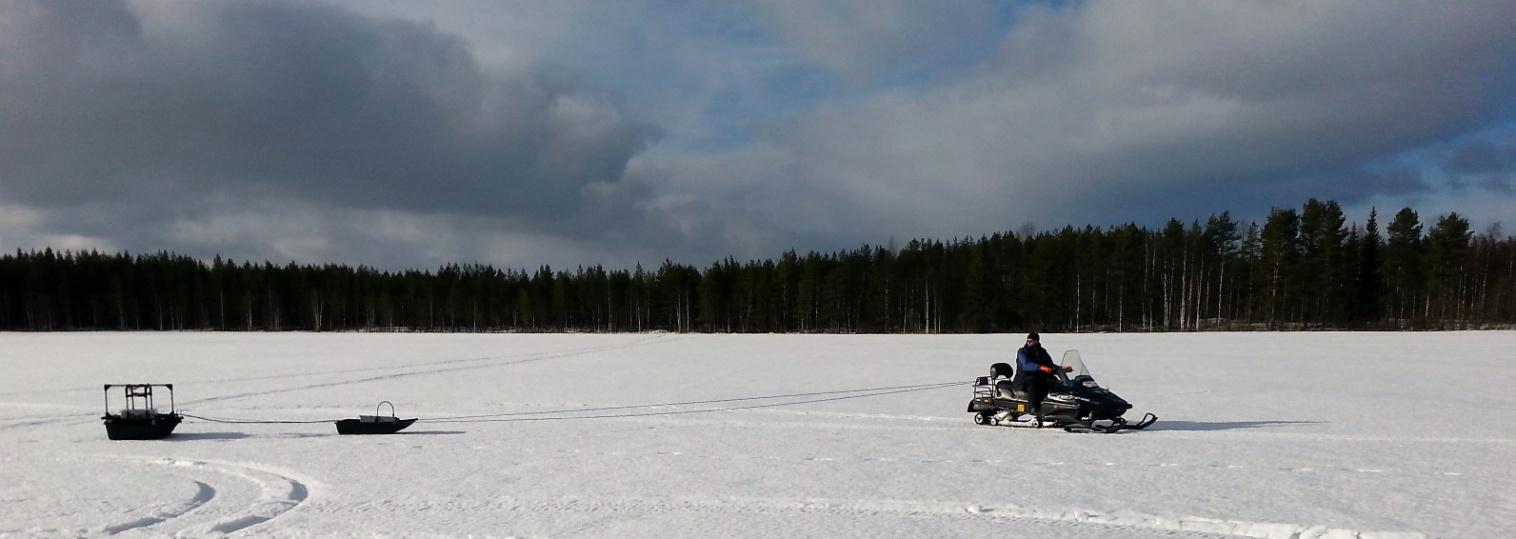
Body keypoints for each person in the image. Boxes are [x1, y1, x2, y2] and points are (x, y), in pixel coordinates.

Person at [1013, 332, 1070, 421]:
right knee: (1032, 381)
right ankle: (1034, 407)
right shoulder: (1022, 352)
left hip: (1039, 377)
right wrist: (1040, 367)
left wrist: (1060, 369)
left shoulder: (1041, 352)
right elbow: (1026, 365)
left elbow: (1048, 364)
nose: (1029, 343)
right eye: (1028, 341)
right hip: (1023, 380)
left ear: (1036, 342)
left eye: (1031, 341)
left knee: (1053, 381)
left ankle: (1057, 406)